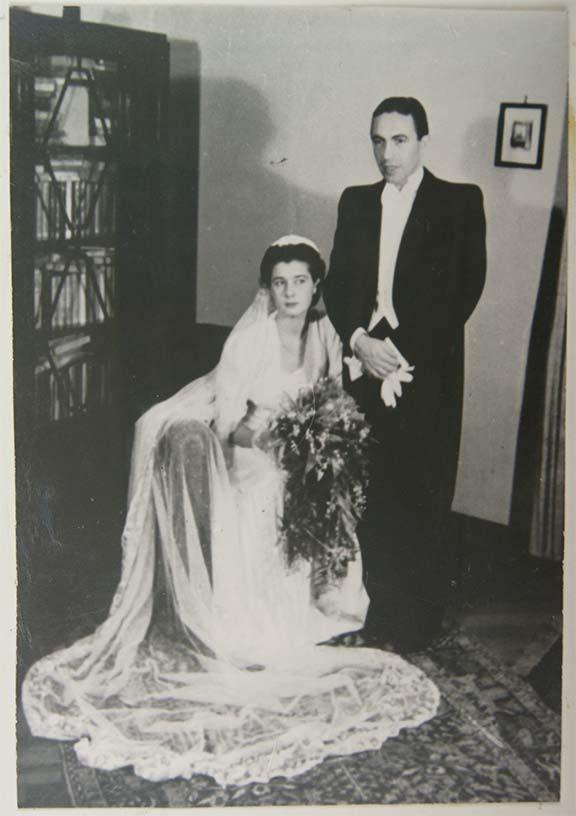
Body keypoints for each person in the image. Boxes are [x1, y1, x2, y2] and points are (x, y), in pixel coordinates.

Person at [22, 236, 440, 786]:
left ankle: (322, 599)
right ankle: (252, 615)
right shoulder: (250, 342)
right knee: (272, 482)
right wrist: (278, 439)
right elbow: (229, 430)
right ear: (267, 290)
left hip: (296, 455)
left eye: (301, 282)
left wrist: (317, 445)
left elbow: (334, 403)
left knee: (323, 482)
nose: (290, 293)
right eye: (280, 283)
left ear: (316, 288)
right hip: (248, 457)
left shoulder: (326, 332)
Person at [324, 97, 487, 652]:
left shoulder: (460, 202)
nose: (385, 153)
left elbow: (464, 289)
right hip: (363, 362)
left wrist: (397, 350)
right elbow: (339, 283)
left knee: (421, 488)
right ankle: (374, 610)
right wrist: (359, 341)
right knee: (370, 489)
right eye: (377, 140)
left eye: (398, 140)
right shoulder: (356, 202)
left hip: (426, 369)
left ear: (422, 141)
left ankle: (416, 622)